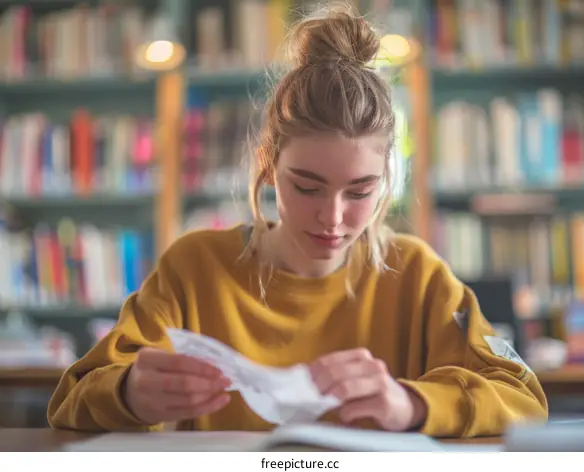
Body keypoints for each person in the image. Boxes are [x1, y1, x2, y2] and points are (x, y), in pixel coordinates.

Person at [47, 6, 548, 437]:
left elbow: (525, 401)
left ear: (387, 176)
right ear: (268, 163)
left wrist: (413, 405)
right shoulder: (194, 268)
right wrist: (130, 393)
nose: (332, 219)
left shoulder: (416, 274)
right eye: (306, 187)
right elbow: (69, 402)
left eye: (360, 191)